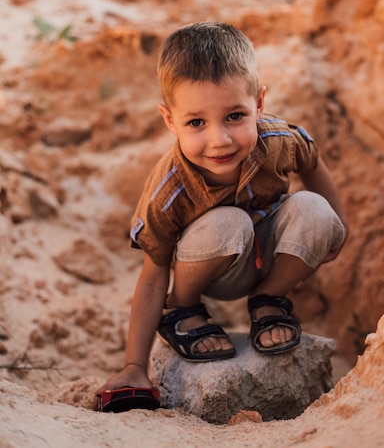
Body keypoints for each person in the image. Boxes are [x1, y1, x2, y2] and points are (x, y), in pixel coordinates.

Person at [95, 21, 349, 406]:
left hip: (269, 254)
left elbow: (311, 161)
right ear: (169, 120)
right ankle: (184, 311)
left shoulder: (276, 140)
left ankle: (269, 300)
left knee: (317, 210)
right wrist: (135, 365)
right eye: (196, 122)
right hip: (212, 267)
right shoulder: (169, 190)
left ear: (259, 104)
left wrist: (339, 226)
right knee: (229, 222)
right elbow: (151, 279)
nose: (220, 140)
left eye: (235, 116)